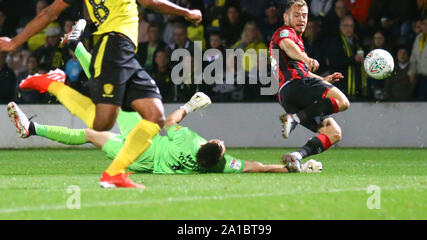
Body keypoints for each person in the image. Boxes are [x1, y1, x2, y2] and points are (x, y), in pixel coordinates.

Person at [0, 0, 202, 189]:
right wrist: (188, 13)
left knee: (154, 115)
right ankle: (54, 85)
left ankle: (115, 174)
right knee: (101, 123)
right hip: (114, 48)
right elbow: (150, 0)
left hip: (123, 52)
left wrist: (15, 42)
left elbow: (50, 12)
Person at [7, 92, 323, 175]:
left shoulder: (192, 141)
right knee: (92, 134)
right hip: (137, 163)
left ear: (212, 146)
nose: (221, 141)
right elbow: (258, 167)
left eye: (219, 143)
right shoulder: (217, 167)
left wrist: (190, 105)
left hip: (145, 147)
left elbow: (169, 124)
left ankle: (78, 50)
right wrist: (294, 168)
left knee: (113, 106)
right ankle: (32, 128)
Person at [269, 0, 349, 171]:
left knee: (334, 132)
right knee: (343, 102)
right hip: (295, 85)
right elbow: (287, 46)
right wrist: (305, 58)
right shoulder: (284, 32)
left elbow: (302, 71)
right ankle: (296, 119)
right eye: (296, 15)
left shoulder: (298, 40)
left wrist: (323, 80)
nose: (301, 19)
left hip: (289, 96)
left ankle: (296, 157)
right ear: (285, 17)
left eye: (304, 15)